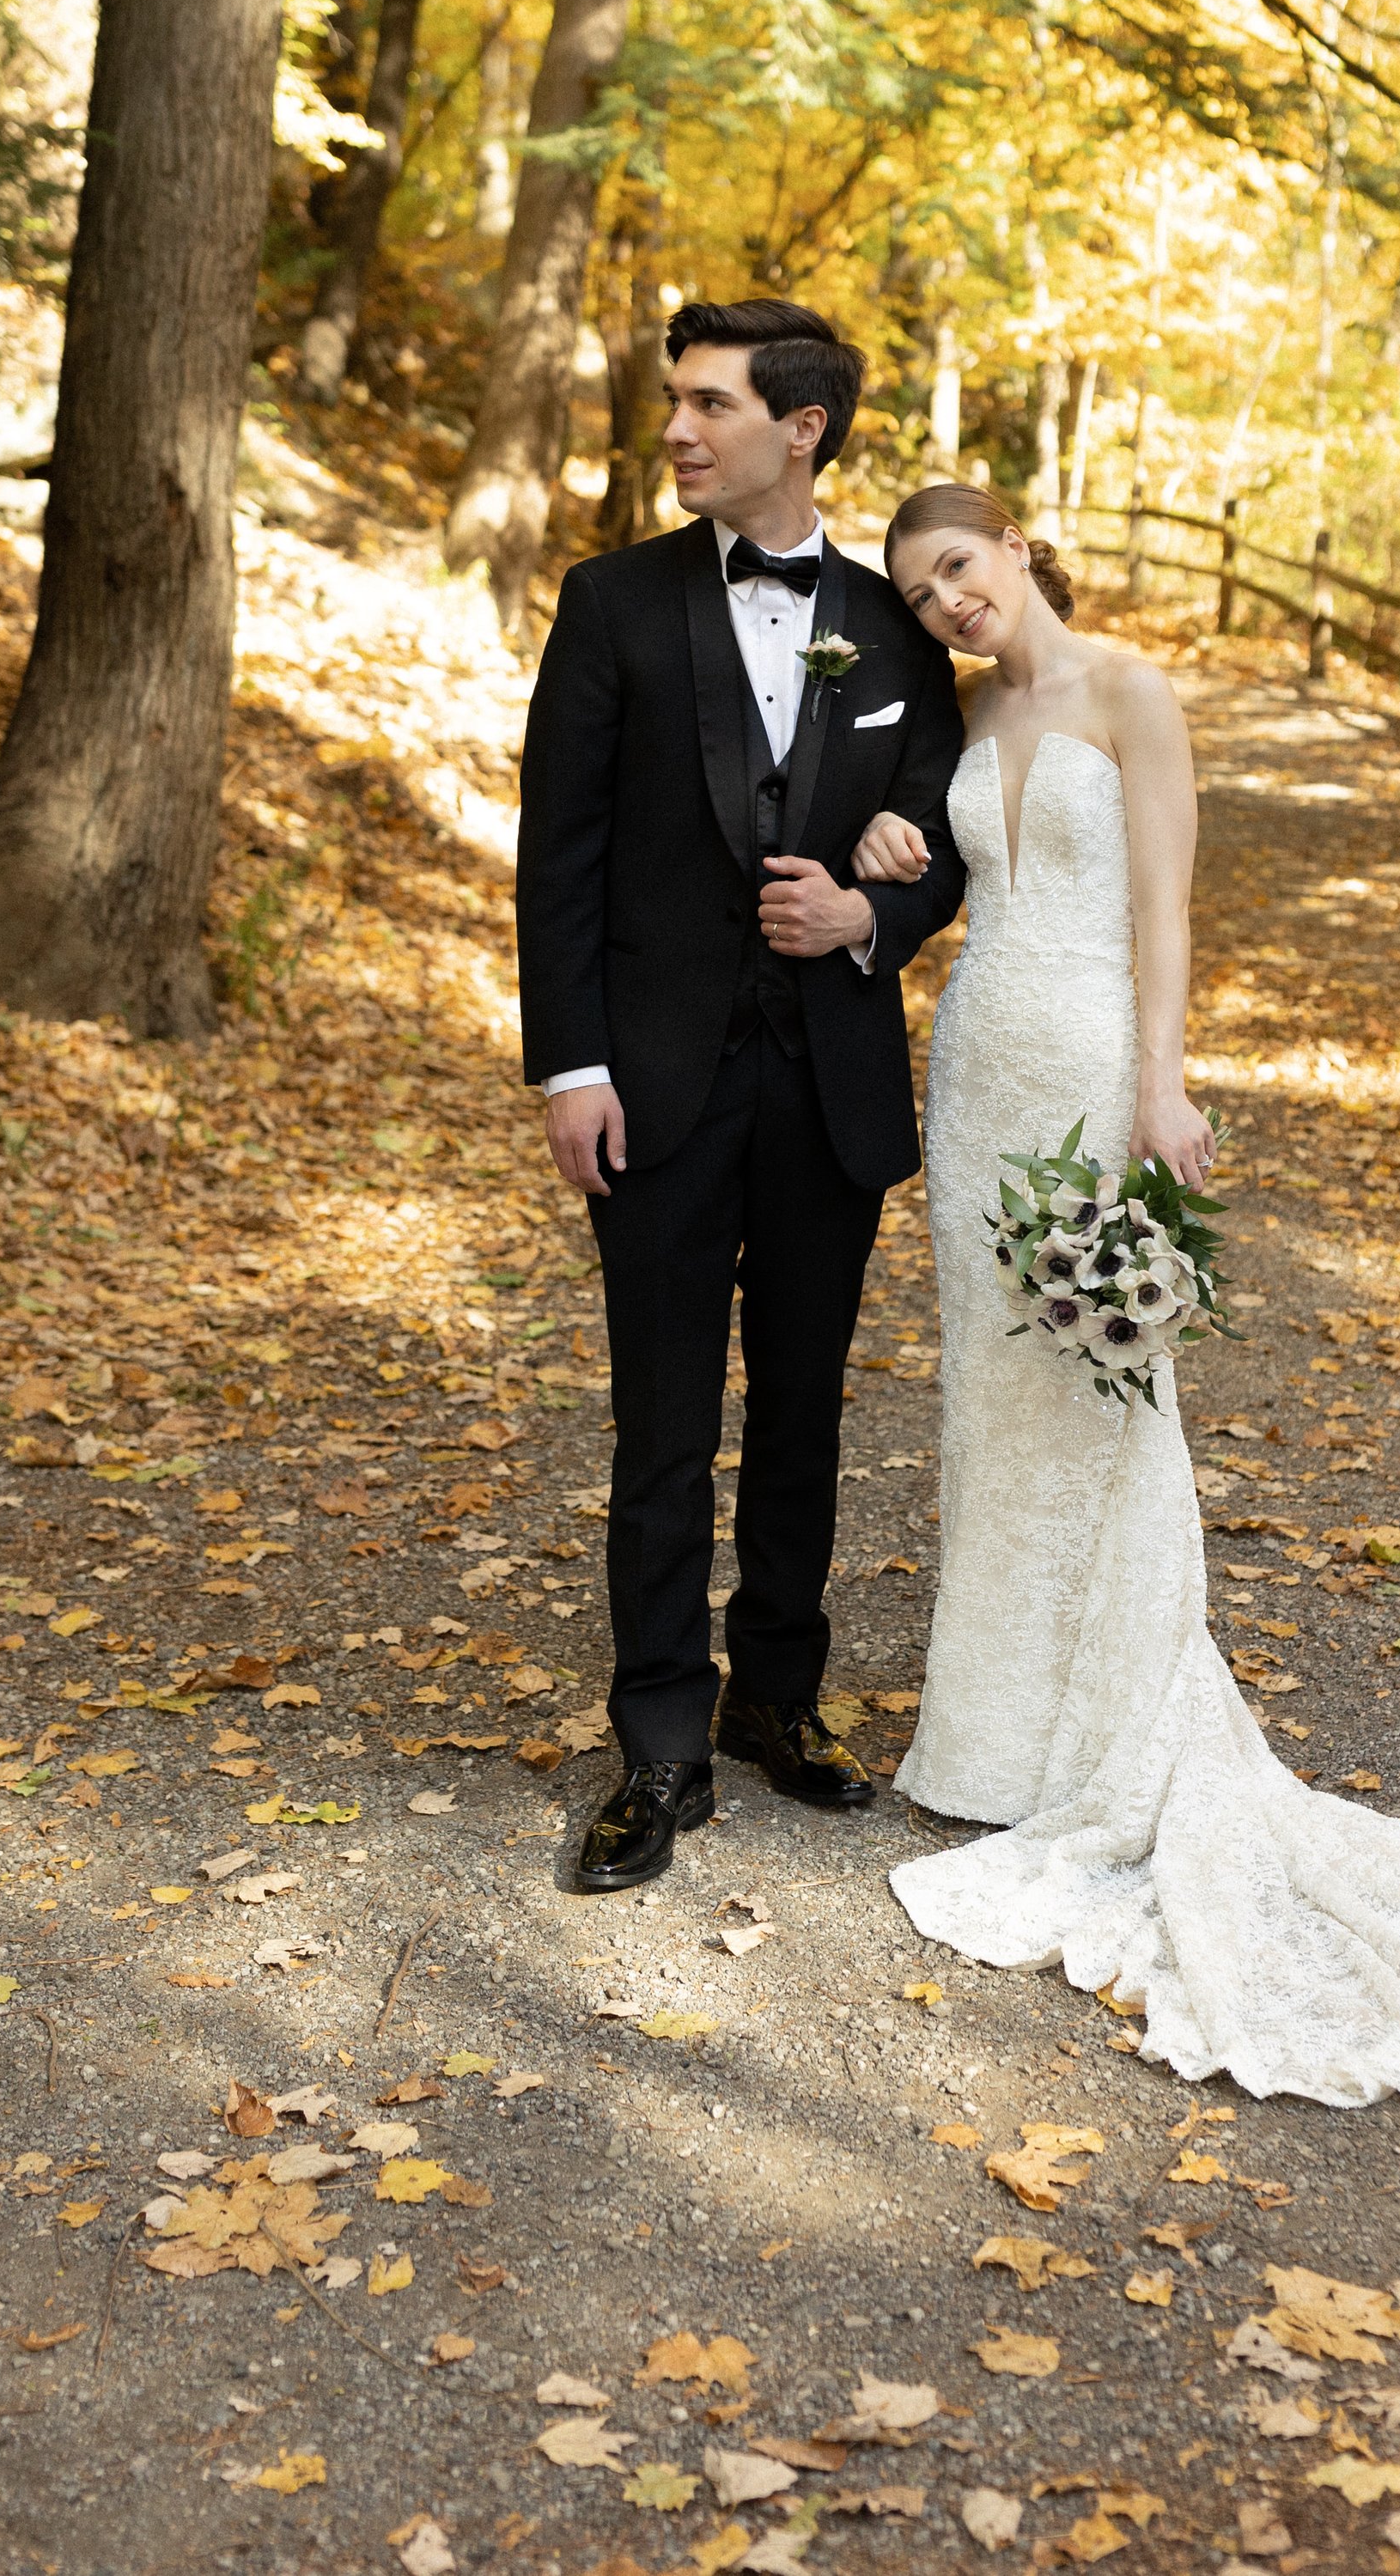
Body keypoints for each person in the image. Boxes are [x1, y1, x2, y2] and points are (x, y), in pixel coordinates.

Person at [848, 484, 1400, 2104]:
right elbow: (926, 875)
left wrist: (1164, 1089)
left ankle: (1115, 1734)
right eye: (921, 589)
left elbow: (1165, 909)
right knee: (993, 1393)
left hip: (1096, 1060)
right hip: (975, 1075)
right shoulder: (956, 717)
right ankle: (991, 1740)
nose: (948, 601)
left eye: (958, 566)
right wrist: (891, 842)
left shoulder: (1132, 694)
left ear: (1019, 544)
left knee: (1105, 1392)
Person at [515, 301, 965, 1892]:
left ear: (804, 429)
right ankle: (658, 1740)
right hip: (653, 1083)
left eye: (713, 405)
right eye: (677, 405)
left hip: (830, 1083)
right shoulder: (611, 602)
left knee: (800, 1408)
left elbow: (946, 825)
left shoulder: (897, 617)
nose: (681, 432)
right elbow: (556, 854)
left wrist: (872, 919)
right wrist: (568, 1064)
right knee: (660, 1418)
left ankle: (782, 1693)